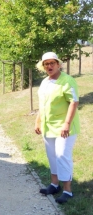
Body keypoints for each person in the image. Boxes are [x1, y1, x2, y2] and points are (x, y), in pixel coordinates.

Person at [35, 52, 80, 204]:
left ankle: (67, 190)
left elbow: (74, 102)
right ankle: (54, 185)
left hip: (64, 127)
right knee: (52, 156)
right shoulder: (44, 82)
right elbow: (43, 104)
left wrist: (67, 123)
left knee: (62, 155)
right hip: (48, 126)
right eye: (46, 64)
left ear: (58, 64)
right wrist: (38, 121)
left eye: (52, 63)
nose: (49, 66)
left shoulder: (67, 81)